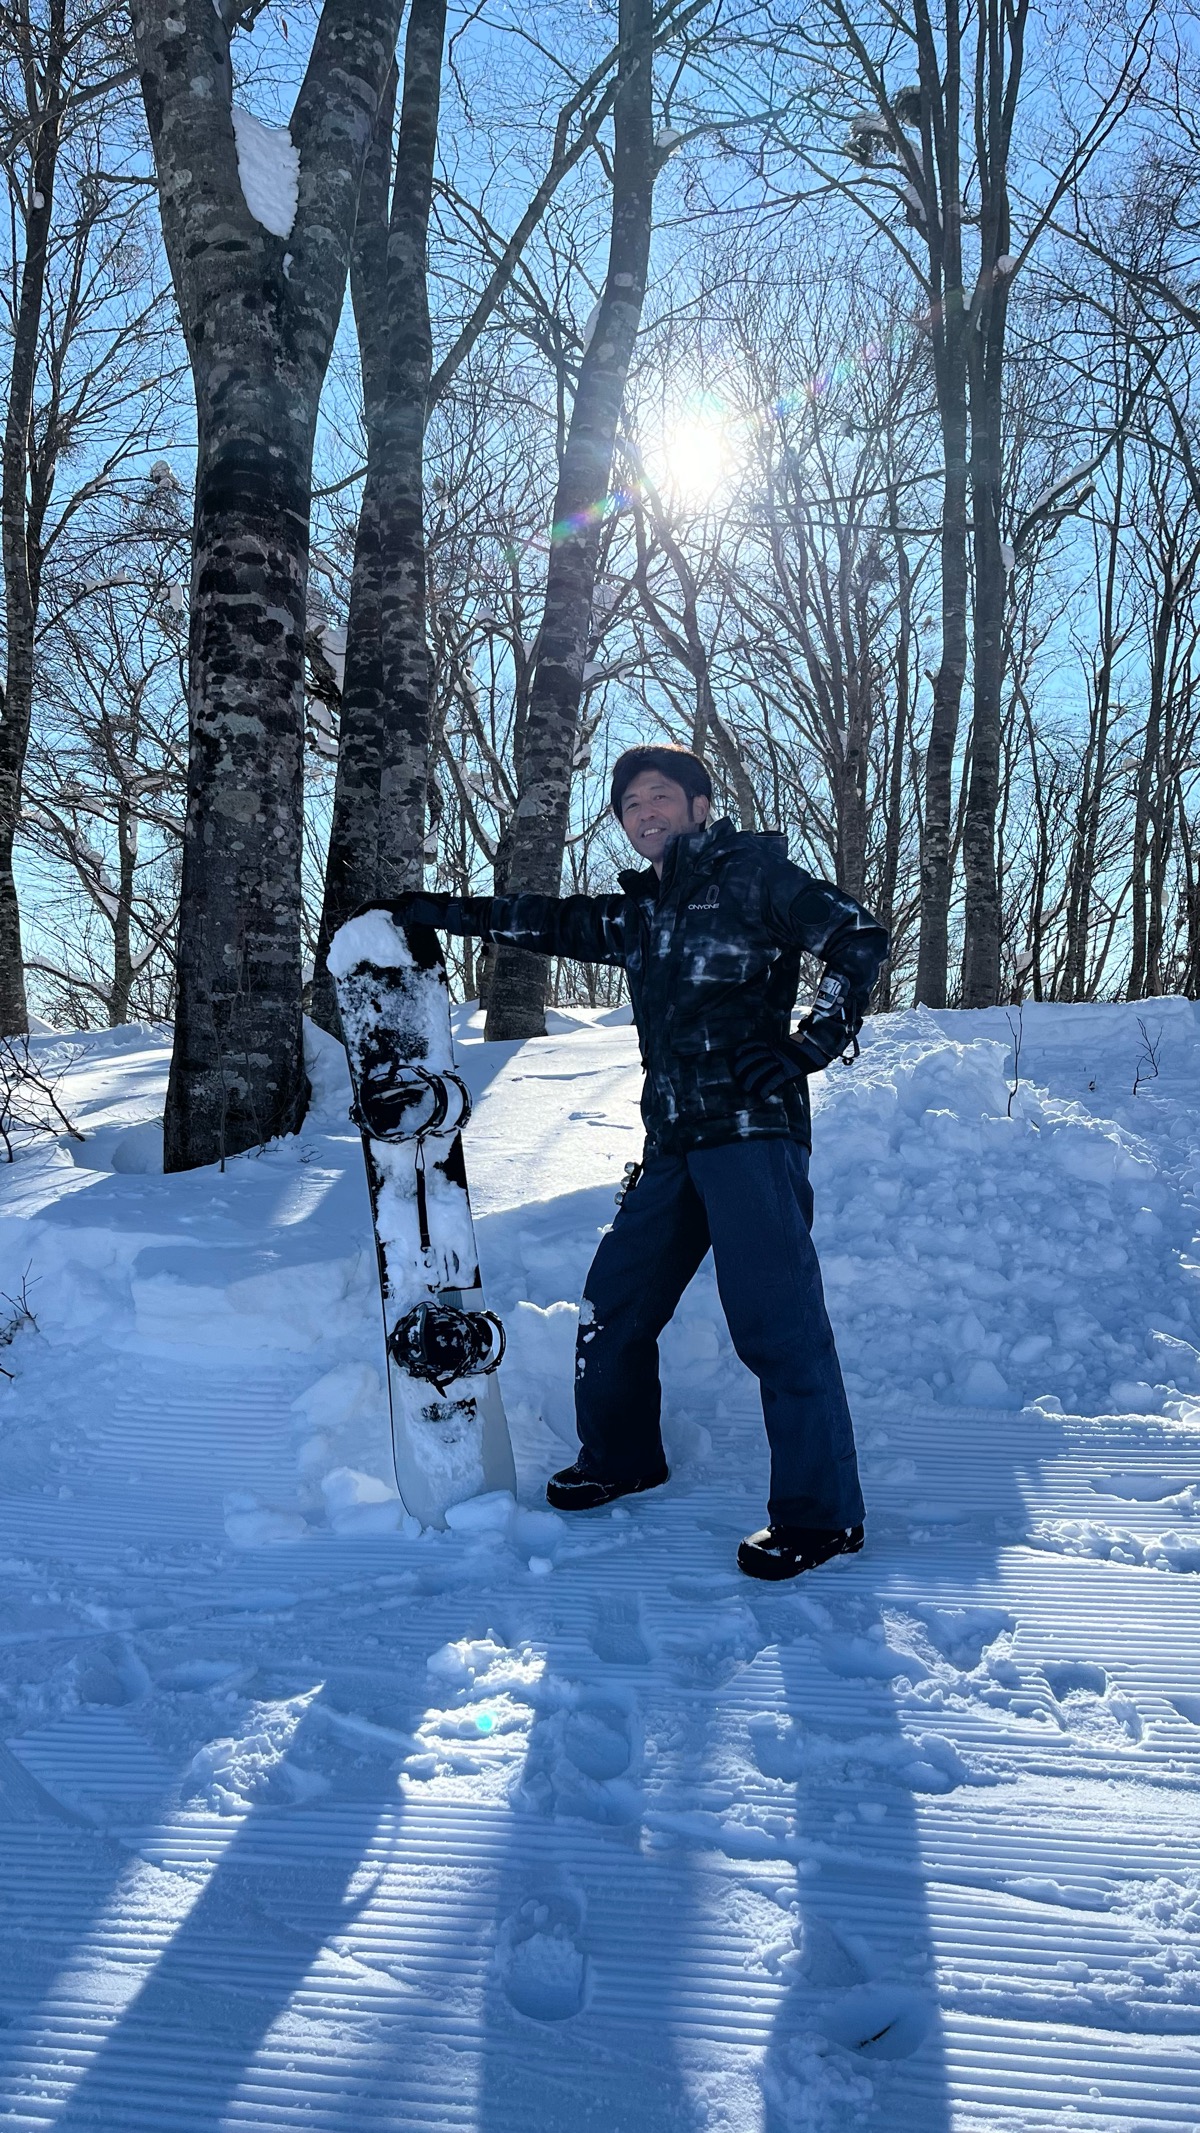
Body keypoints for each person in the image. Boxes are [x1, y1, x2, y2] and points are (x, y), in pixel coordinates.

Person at [387, 744, 889, 1580]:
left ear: (699, 806)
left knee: (777, 1322)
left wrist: (815, 1041)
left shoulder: (756, 878)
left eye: (660, 796)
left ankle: (824, 1515)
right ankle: (623, 1456)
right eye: (628, 805)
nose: (643, 813)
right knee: (615, 1304)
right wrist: (431, 911)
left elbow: (858, 936)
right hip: (674, 1142)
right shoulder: (642, 913)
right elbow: (541, 919)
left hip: (751, 1134)